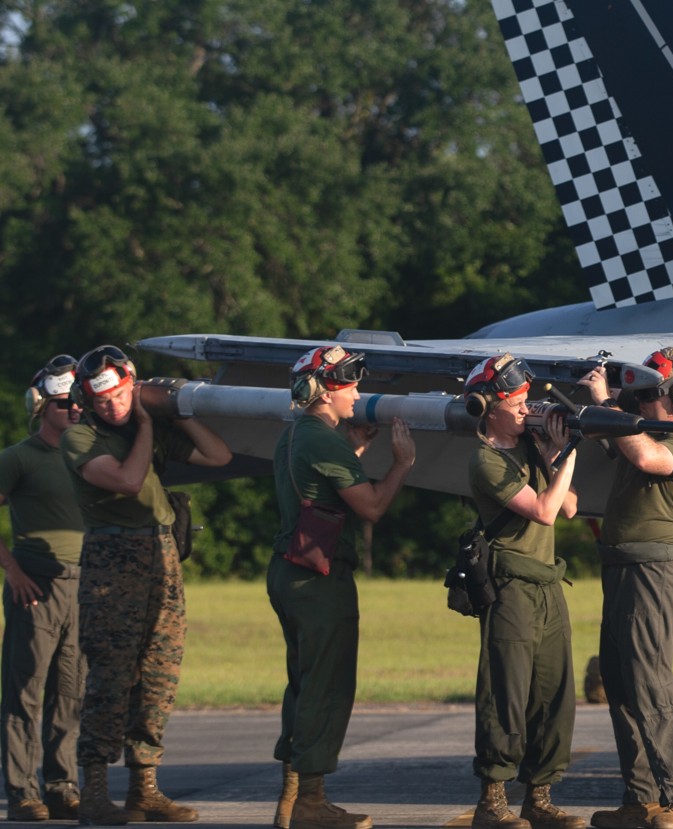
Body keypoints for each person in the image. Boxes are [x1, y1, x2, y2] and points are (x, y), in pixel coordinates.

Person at [59, 346, 230, 825]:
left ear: (131, 387)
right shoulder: (80, 438)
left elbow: (219, 455)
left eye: (119, 394)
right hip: (113, 561)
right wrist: (148, 426)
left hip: (162, 558)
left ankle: (144, 787)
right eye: (102, 399)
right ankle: (93, 789)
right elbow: (130, 481)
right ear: (88, 401)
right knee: (112, 679)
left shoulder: (145, 430)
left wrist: (177, 406)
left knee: (160, 676)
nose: (112, 405)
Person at [267, 346, 417, 829]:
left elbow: (313, 490)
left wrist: (352, 453)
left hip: (291, 571)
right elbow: (370, 507)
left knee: (305, 681)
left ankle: (292, 800)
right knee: (326, 686)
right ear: (324, 391)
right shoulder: (322, 440)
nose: (357, 392)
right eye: (348, 384)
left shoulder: (297, 436)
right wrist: (401, 464)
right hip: (319, 579)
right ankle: (311, 800)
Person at [578, 350, 673, 829]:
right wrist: (594, 408)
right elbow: (609, 436)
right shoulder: (638, 428)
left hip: (657, 574)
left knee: (650, 681)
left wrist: (607, 404)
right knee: (620, 684)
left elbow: (644, 455)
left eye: (648, 393)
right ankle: (642, 799)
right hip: (622, 569)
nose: (638, 401)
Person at [463, 354, 586, 829]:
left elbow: (571, 505)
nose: (523, 409)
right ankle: (492, 801)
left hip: (547, 585)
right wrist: (569, 456)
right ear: (487, 407)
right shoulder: (486, 460)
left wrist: (555, 453)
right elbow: (544, 511)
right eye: (514, 402)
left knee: (555, 696)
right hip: (510, 586)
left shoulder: (532, 448)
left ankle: (540, 796)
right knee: (505, 693)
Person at [0, 358, 87, 822]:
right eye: (61, 403)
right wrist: (12, 571)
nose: (72, 409)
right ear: (40, 407)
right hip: (35, 584)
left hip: (84, 584)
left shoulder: (90, 453)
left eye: (76, 400)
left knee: (70, 693)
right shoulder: (18, 457)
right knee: (25, 690)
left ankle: (61, 785)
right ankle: (21, 793)